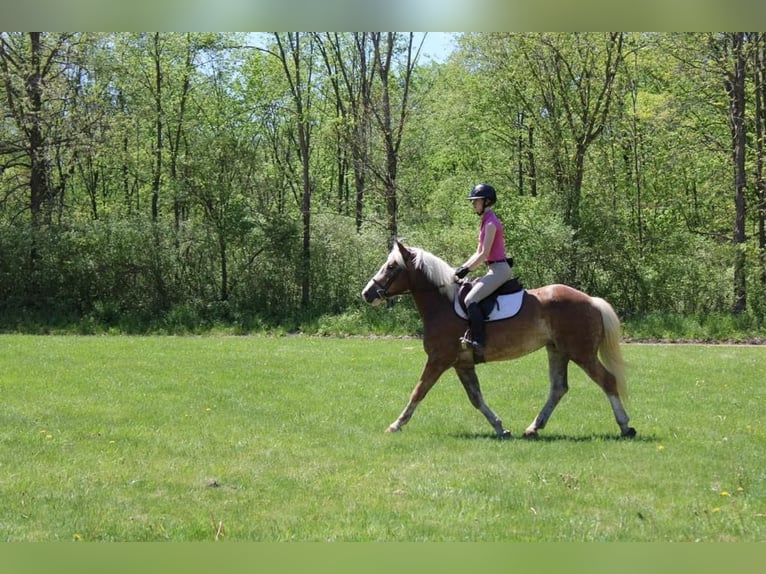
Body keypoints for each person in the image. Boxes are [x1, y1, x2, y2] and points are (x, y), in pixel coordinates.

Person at [454, 183, 513, 360]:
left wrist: (467, 269)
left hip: (499, 269)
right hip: (492, 268)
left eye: (476, 201)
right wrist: (461, 268)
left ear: (486, 201)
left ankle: (479, 342)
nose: (473, 204)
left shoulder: (490, 223)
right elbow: (477, 252)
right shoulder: (485, 221)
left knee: (471, 299)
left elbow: (484, 254)